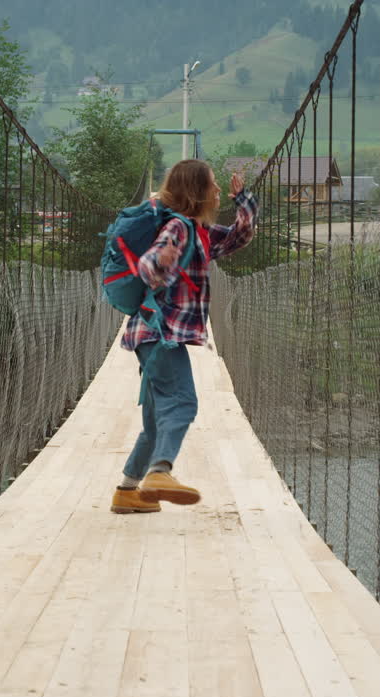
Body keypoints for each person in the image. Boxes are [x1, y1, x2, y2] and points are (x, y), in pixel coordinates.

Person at [111, 159, 258, 514]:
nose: (219, 190)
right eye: (213, 184)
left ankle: (127, 492)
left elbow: (240, 237)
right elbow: (147, 267)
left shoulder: (201, 233)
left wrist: (244, 201)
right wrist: (161, 259)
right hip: (159, 333)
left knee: (153, 422)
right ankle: (161, 472)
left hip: (156, 334)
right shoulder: (178, 227)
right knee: (182, 402)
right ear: (197, 191)